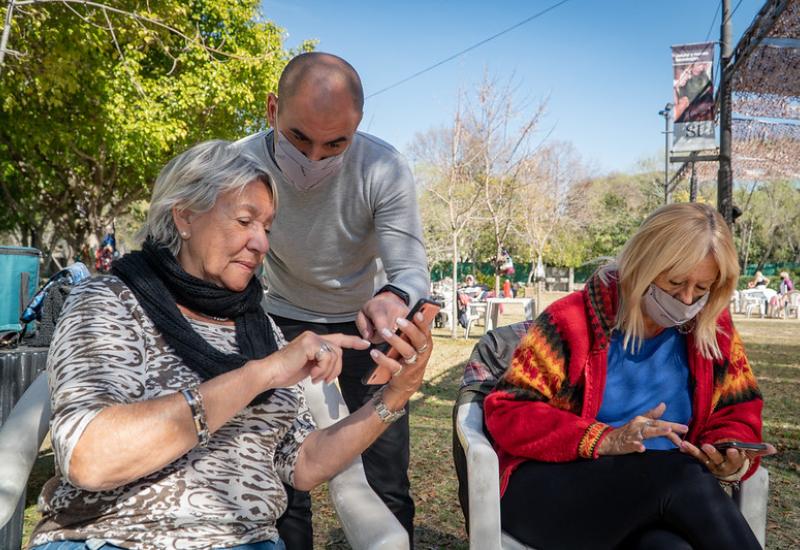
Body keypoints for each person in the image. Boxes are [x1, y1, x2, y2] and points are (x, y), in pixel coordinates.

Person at [28, 140, 433, 550]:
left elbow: (304, 463)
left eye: (267, 228)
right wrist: (260, 374)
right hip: (112, 538)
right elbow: (90, 459)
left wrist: (396, 394)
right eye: (244, 221)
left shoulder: (258, 327)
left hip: (248, 540)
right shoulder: (110, 301)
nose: (262, 244)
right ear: (185, 216)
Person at [483, 203, 774, 550]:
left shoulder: (713, 329)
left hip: (656, 505)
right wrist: (605, 439)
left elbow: (738, 410)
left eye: (701, 288)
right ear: (642, 264)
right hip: (552, 494)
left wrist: (727, 449)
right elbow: (508, 410)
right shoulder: (571, 320)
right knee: (683, 475)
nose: (686, 299)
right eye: (675, 282)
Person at [234, 52, 429, 547]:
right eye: (299, 138)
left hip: (366, 327)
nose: (314, 159)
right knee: (278, 474)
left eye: (335, 143)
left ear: (357, 125)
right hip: (278, 319)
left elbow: (410, 269)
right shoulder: (236, 164)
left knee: (385, 473)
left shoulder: (383, 166)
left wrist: (393, 297)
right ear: (272, 110)